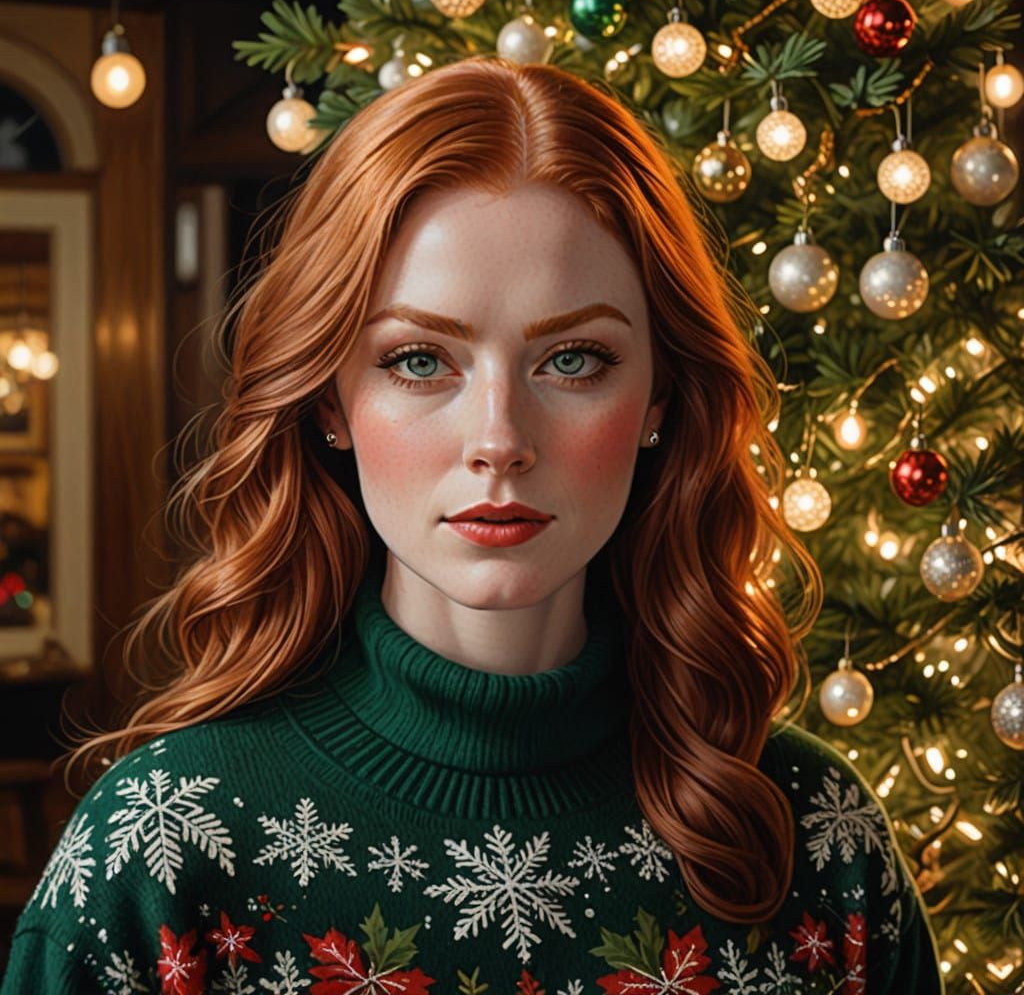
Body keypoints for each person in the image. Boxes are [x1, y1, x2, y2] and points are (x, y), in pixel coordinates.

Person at [0, 56, 944, 994]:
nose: (499, 440)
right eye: (419, 360)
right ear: (329, 400)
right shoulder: (160, 848)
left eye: (573, 359)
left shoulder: (818, 839)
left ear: (661, 396)